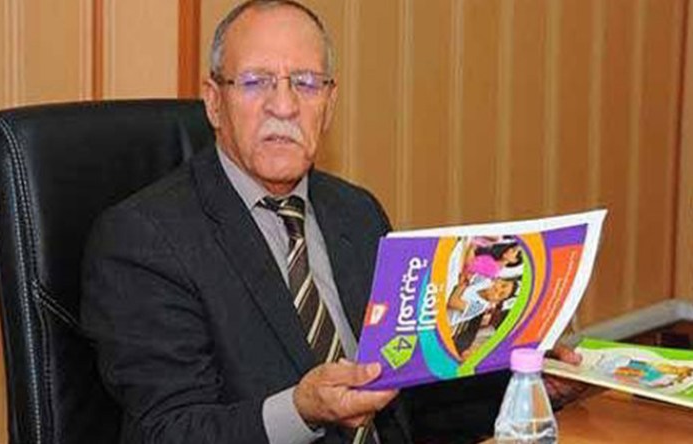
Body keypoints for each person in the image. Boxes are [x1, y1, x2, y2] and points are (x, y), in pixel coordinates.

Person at [81, 1, 583, 443]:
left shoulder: (357, 212)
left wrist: (528, 385)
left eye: (305, 83)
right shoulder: (144, 240)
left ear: (329, 103)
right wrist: (300, 411)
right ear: (214, 102)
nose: (284, 106)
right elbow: (171, 430)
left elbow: (409, 407)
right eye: (255, 82)